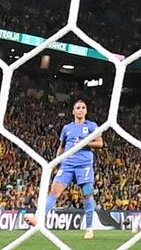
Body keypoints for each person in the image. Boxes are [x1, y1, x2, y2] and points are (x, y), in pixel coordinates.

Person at [25, 100, 101, 239]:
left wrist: (84, 142)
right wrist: (56, 162)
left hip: (84, 166)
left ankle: (89, 228)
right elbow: (61, 147)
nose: (80, 110)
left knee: (88, 194)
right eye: (78, 108)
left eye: (83, 107)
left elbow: (100, 143)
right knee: (54, 191)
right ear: (73, 111)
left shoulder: (91, 126)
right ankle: (38, 219)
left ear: (86, 111)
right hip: (67, 165)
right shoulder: (67, 128)